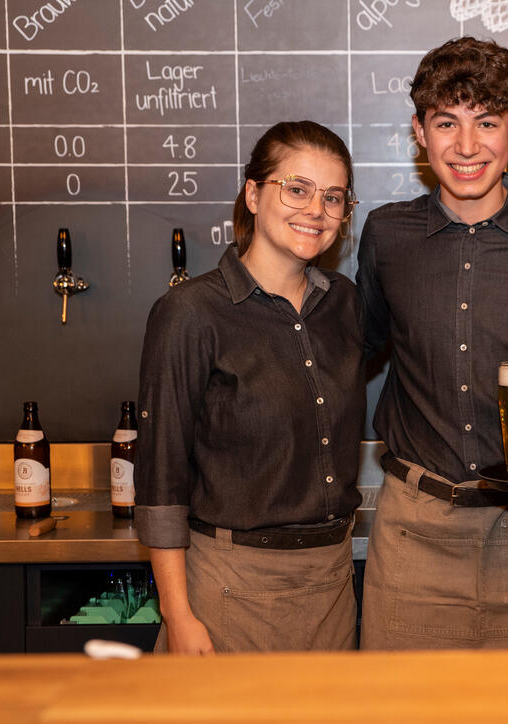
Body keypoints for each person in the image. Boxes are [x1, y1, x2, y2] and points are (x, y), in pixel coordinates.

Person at [357, 36, 508, 649]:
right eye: (447, 123)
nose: (467, 147)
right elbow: (354, 351)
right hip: (415, 532)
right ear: (419, 131)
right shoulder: (387, 235)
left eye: (486, 122)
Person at [134, 121, 365, 653]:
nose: (316, 210)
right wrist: (178, 614)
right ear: (254, 193)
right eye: (297, 189)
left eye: (333, 198)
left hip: (331, 586)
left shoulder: (346, 305)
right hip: (230, 589)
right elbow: (161, 478)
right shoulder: (190, 312)